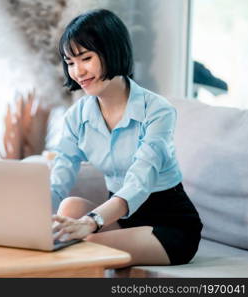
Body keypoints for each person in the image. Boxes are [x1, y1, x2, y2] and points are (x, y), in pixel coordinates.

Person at [51, 9, 203, 266]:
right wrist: (24, 221)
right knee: (68, 208)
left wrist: (91, 222)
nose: (78, 72)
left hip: (168, 226)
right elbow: (60, 176)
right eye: (70, 62)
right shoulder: (77, 116)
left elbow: (140, 181)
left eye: (85, 58)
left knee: (82, 246)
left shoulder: (157, 110)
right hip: (121, 220)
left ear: (112, 51)